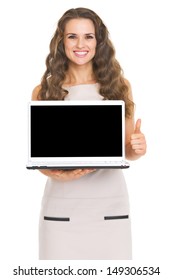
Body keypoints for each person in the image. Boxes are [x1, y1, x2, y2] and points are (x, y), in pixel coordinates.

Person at [32, 7, 147, 260]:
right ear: (61, 42)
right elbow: (40, 158)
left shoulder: (118, 86)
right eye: (72, 36)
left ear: (99, 41)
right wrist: (59, 176)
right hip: (61, 209)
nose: (80, 44)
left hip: (110, 208)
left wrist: (138, 146)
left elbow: (127, 152)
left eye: (89, 36)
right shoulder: (43, 91)